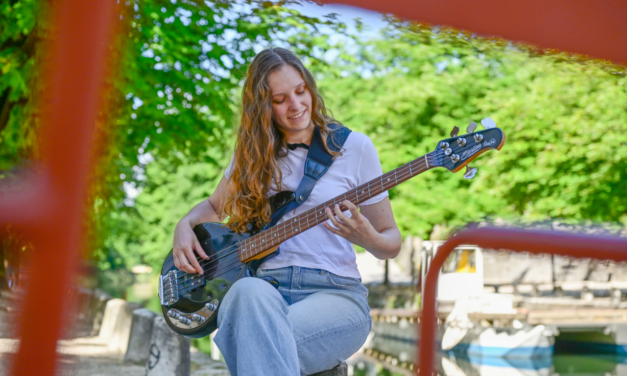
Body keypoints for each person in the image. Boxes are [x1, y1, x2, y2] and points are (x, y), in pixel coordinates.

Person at [172, 47, 401, 376]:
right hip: (263, 292)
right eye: (280, 100)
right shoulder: (252, 157)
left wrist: (366, 236)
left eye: (300, 91)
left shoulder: (355, 147)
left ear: (310, 87)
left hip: (335, 293)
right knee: (246, 295)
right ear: (262, 107)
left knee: (251, 340)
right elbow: (212, 207)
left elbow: (391, 242)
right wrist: (185, 224)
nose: (296, 106)